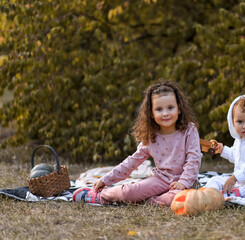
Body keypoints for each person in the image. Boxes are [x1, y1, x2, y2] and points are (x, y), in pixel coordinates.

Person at [73, 81, 201, 206]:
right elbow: (131, 162)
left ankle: (150, 202)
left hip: (184, 184)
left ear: (179, 108)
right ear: (151, 113)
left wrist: (183, 182)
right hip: (160, 180)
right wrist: (106, 179)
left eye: (170, 108)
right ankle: (99, 196)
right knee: (129, 192)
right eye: (159, 109)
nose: (165, 113)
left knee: (176, 199)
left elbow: (193, 160)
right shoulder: (151, 136)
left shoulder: (189, 130)